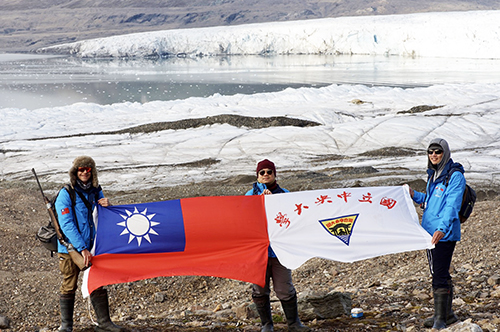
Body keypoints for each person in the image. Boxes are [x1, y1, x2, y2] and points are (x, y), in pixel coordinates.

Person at [55, 156, 124, 332]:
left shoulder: (95, 190)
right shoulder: (66, 193)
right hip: (69, 248)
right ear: (75, 172)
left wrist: (109, 205)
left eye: (88, 169)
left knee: (97, 282)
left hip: (92, 247)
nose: (84, 172)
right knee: (69, 283)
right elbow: (66, 224)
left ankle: (104, 323)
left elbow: (105, 215)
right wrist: (82, 248)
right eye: (81, 169)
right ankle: (66, 326)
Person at [246, 159, 310, 332]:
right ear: (257, 175)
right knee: (259, 289)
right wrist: (259, 204)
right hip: (258, 253)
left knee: (285, 288)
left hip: (280, 251)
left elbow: (291, 220)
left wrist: (274, 203)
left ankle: (294, 324)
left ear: (274, 174)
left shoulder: (286, 194)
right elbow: (245, 222)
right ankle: (267, 324)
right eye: (262, 172)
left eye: (269, 171)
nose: (266, 175)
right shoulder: (249, 196)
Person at [408, 139, 465, 330]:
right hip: (431, 232)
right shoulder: (434, 175)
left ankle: (441, 319)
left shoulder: (454, 176)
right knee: (439, 272)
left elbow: (452, 205)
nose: (433, 155)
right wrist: (413, 194)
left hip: (442, 234)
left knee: (439, 274)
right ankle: (445, 315)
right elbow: (431, 202)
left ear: (445, 153)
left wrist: (442, 229)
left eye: (438, 152)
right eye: (430, 152)